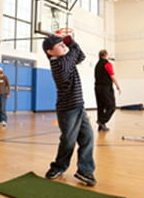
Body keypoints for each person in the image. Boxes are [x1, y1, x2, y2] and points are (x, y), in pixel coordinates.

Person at [43, 34, 96, 186]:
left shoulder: (66, 59)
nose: (64, 46)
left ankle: (84, 170)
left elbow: (81, 55)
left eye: (63, 44)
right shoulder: (59, 64)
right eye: (59, 45)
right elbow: (76, 52)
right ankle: (58, 167)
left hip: (79, 106)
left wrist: (68, 41)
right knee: (68, 141)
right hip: (68, 109)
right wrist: (69, 39)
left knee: (88, 138)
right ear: (50, 52)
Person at [94, 50, 121, 132]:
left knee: (101, 107)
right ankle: (101, 121)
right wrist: (118, 86)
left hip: (97, 87)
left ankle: (101, 127)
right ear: (106, 55)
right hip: (105, 88)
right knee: (111, 106)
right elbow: (112, 75)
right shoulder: (107, 64)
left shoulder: (97, 65)